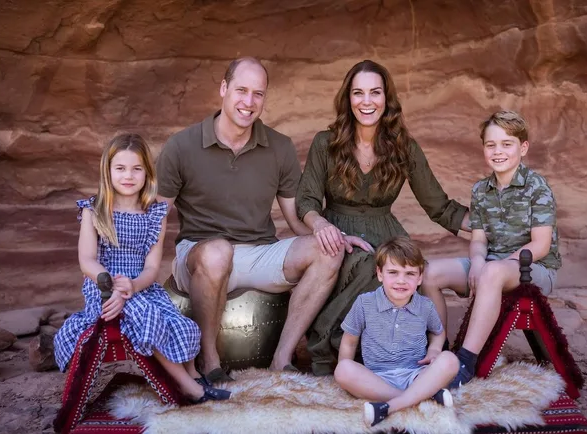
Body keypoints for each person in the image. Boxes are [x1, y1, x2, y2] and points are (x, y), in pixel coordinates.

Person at [156, 57, 364, 382]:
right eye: (241, 90)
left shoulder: (278, 147)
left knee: (329, 251)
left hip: (257, 254)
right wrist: (139, 273)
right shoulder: (181, 146)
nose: (248, 102)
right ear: (224, 89)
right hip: (199, 256)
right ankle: (209, 363)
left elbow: (296, 218)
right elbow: (155, 216)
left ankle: (281, 360)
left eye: (258, 94)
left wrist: (327, 232)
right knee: (218, 252)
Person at [296, 59, 470, 375]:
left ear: (386, 99)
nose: (367, 102)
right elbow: (306, 200)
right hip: (339, 233)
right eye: (358, 93)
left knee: (403, 270)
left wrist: (489, 227)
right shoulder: (326, 143)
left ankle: (409, 358)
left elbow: (438, 206)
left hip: (387, 231)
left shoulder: (403, 147)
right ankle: (326, 350)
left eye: (375, 93)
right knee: (370, 266)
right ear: (347, 99)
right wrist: (321, 225)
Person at [53, 134, 230, 403]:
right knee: (143, 313)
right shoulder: (94, 211)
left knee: (180, 322)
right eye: (120, 168)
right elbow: (87, 260)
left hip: (142, 287)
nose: (128, 176)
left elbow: (151, 267)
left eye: (137, 169)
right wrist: (109, 283)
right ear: (108, 171)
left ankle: (193, 375)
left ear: (147, 173)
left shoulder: (155, 213)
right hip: (103, 289)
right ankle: (189, 389)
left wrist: (134, 286)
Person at [421, 110, 562, 388]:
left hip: (532, 269)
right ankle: (439, 347)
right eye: (491, 145)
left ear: (523, 147)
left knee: (493, 272)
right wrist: (476, 262)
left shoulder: (537, 188)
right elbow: (479, 240)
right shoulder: (480, 190)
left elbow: (541, 245)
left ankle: (466, 361)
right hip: (491, 265)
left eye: (506, 144)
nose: (498, 152)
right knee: (429, 273)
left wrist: (492, 269)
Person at [334, 237, 458, 427]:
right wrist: (347, 377)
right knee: (343, 369)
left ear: (420, 278)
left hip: (416, 375)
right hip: (376, 379)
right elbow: (349, 341)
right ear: (380, 274)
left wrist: (434, 351)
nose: (401, 280)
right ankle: (422, 399)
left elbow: (438, 332)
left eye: (409, 274)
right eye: (393, 272)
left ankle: (389, 407)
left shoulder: (425, 306)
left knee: (450, 360)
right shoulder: (364, 303)